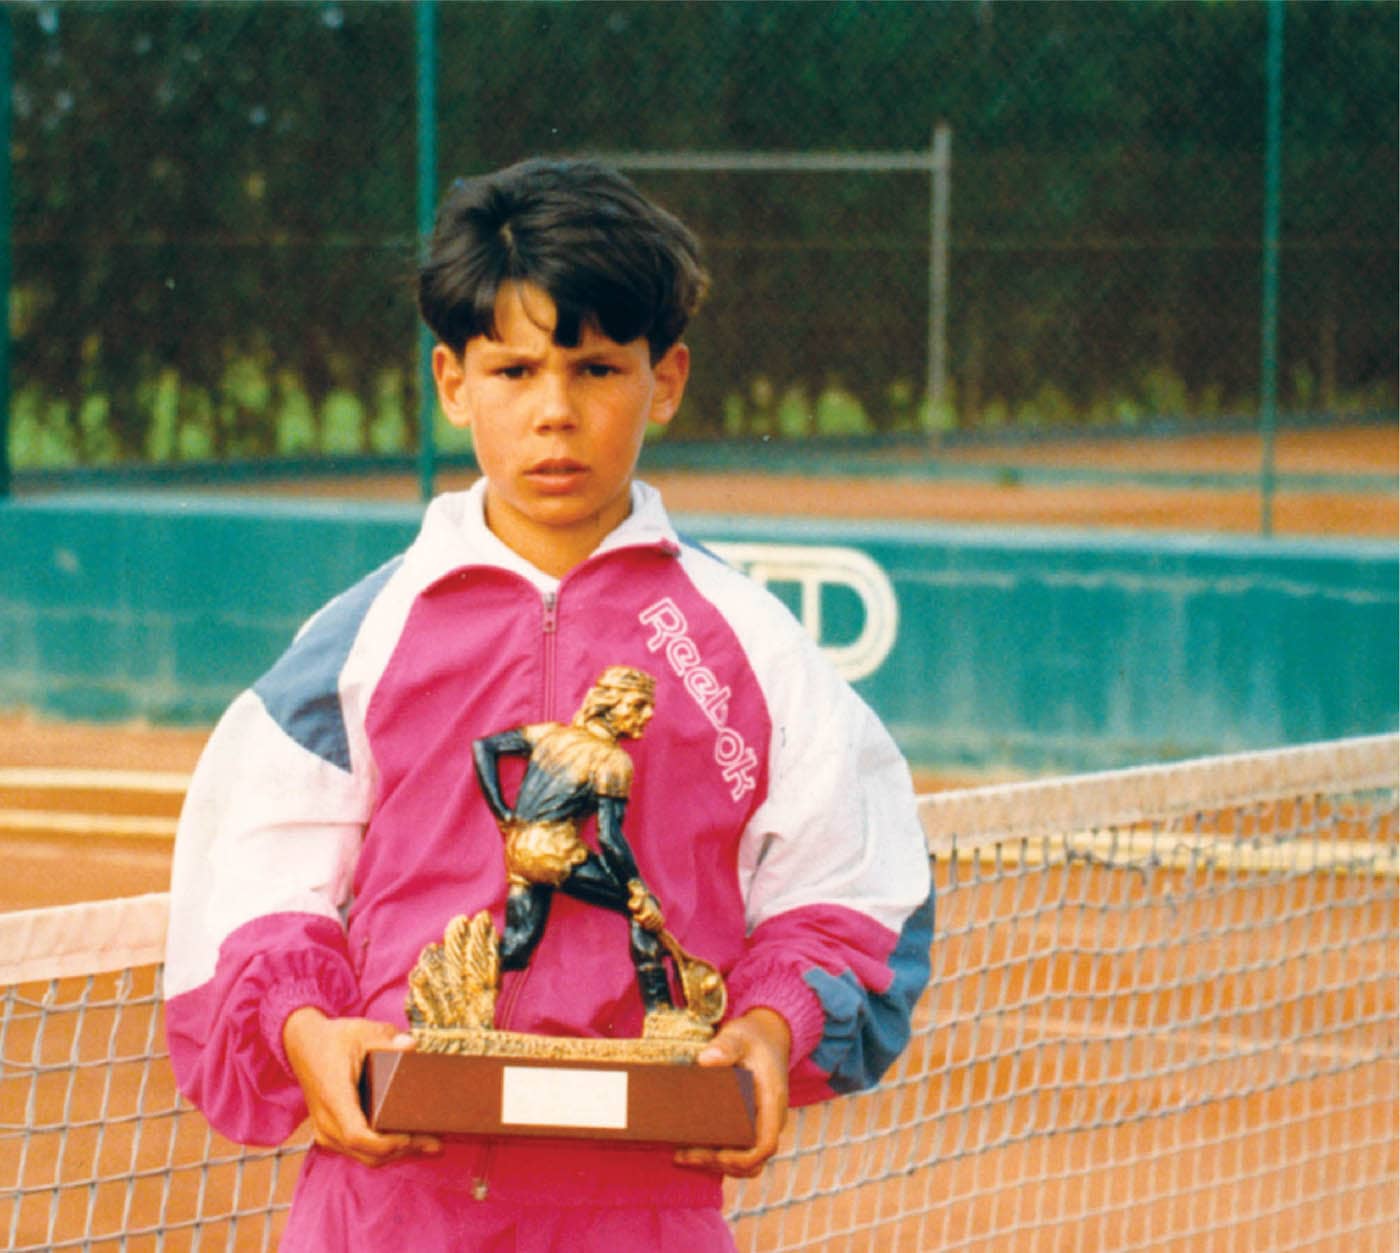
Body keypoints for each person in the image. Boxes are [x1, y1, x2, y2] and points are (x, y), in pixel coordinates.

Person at [163, 157, 934, 1251]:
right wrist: (304, 1029)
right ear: (450, 380)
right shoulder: (361, 641)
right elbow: (254, 872)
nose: (554, 413)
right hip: (390, 1204)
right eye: (514, 370)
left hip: (640, 1210)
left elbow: (849, 893)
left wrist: (767, 1031)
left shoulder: (754, 647)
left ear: (664, 380)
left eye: (596, 368)